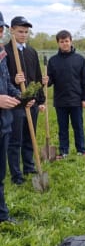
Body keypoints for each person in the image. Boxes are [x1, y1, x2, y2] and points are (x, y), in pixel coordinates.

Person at [5, 16, 45, 185]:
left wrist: (39, 100)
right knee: (15, 141)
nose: (23, 35)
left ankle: (29, 166)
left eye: (26, 32)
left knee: (30, 136)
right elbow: (3, 80)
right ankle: (16, 174)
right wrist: (14, 79)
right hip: (15, 104)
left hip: (32, 103)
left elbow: (36, 77)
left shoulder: (31, 52)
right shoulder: (4, 52)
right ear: (11, 30)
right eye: (20, 31)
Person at [44, 30, 85, 159]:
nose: (64, 44)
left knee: (78, 126)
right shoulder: (53, 61)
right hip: (60, 101)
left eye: (66, 41)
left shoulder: (80, 60)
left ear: (71, 41)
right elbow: (50, 82)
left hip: (76, 100)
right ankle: (64, 151)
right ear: (58, 43)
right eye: (61, 42)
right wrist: (46, 81)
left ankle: (81, 150)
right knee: (62, 128)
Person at [0, 12, 25, 223]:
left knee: (0, 175)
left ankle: (2, 216)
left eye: (0, 29)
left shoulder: (1, 53)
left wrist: (18, 94)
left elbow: (7, 83)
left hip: (4, 123)